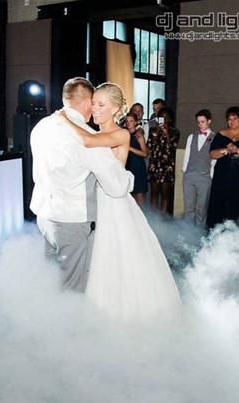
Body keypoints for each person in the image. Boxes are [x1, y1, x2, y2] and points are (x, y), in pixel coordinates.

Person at [59, 82, 180, 323]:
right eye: (93, 103)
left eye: (101, 104)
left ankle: (119, 314)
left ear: (115, 109)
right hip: (94, 201)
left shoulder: (121, 134)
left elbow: (88, 142)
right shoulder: (93, 132)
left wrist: (64, 118)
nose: (94, 108)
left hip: (114, 205)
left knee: (117, 256)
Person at [30, 77, 134, 292]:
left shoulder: (42, 126)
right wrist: (130, 179)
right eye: (94, 103)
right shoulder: (88, 138)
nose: (94, 108)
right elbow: (117, 187)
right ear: (87, 102)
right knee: (72, 289)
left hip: (43, 214)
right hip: (71, 220)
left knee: (49, 279)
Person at [207, 106, 239, 228]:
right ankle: (216, 231)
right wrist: (226, 150)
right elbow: (212, 154)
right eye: (229, 119)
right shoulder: (221, 135)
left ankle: (238, 233)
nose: (232, 121)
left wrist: (237, 150)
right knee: (219, 204)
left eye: (235, 119)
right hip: (222, 177)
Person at [182, 109, 216, 226]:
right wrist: (185, 172)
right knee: (188, 207)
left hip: (205, 177)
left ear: (209, 121)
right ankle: (188, 231)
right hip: (189, 176)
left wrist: (210, 176)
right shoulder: (191, 137)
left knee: (202, 208)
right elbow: (187, 155)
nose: (200, 124)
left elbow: (214, 160)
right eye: (198, 122)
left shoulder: (215, 138)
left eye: (203, 122)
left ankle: (200, 232)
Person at [147, 107, 180, 214]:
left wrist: (167, 134)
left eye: (166, 117)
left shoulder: (174, 132)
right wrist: (157, 131)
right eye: (161, 117)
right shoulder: (153, 130)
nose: (164, 119)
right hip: (154, 165)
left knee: (165, 194)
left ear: (170, 119)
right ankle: (153, 217)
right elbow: (149, 146)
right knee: (154, 193)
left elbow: (173, 147)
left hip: (167, 166)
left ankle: (163, 218)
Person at [124, 112, 148, 204]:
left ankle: (142, 211)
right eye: (127, 121)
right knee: (130, 192)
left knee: (139, 192)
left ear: (135, 122)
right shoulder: (124, 134)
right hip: (128, 165)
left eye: (131, 121)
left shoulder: (139, 136)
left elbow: (145, 153)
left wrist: (129, 148)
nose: (129, 123)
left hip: (138, 165)